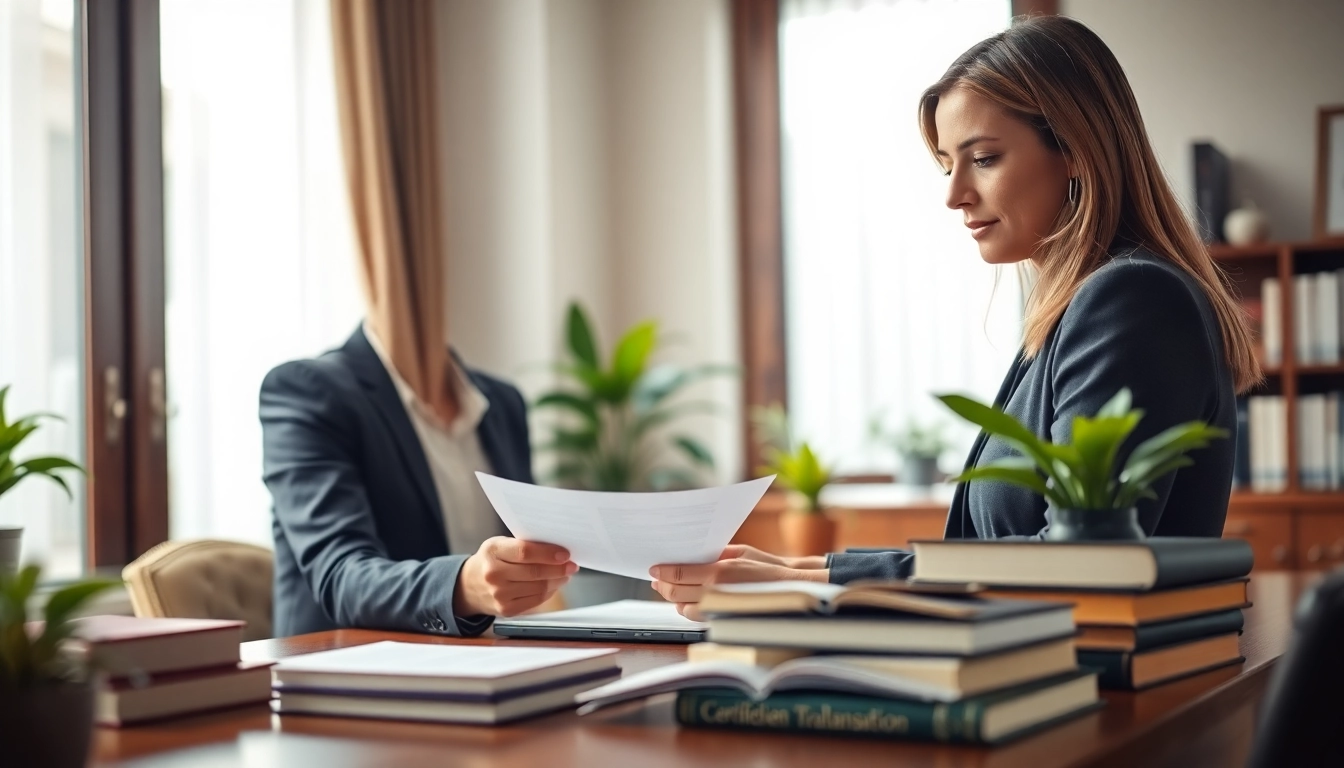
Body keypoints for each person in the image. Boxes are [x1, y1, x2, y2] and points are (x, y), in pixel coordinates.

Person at [650, 15, 1261, 618]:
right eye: (948, 165)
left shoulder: (1131, 299)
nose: (954, 194)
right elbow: (994, 559)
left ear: (1076, 150)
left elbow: (1080, 563)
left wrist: (805, 589)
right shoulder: (1079, 309)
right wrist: (800, 572)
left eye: (985, 158)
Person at [260, 324, 576, 637]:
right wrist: (463, 586)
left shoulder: (503, 402)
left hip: (498, 656)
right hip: (345, 660)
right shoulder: (308, 389)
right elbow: (342, 578)